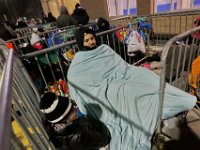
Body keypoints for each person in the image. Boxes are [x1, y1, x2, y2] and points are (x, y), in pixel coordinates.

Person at [67, 27, 197, 150]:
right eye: (87, 40)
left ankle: (165, 96)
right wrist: (103, 85)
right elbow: (76, 80)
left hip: (123, 74)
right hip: (103, 89)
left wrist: (124, 73)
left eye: (92, 38)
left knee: (144, 74)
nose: (91, 42)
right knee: (126, 91)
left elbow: (121, 65)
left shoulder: (104, 49)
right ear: (81, 43)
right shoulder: (79, 62)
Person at [40, 92, 111, 150]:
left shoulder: (52, 126)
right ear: (64, 120)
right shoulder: (79, 137)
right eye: (71, 111)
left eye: (72, 106)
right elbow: (105, 139)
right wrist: (95, 124)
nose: (76, 109)